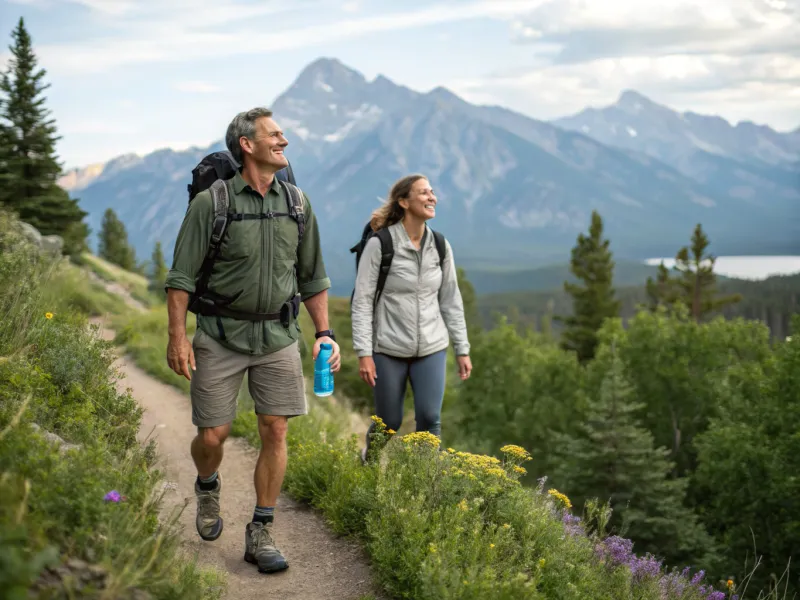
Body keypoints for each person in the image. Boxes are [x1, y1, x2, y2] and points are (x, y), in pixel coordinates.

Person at [164, 107, 340, 574]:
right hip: (220, 336)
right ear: (247, 144)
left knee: (275, 429)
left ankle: (260, 530)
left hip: (279, 337)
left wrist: (324, 334)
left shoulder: (297, 204)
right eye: (275, 135)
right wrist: (177, 336)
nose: (284, 142)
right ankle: (207, 484)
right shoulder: (213, 204)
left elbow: (313, 277)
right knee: (213, 435)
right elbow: (180, 278)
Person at [350, 174, 472, 458]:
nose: (433, 197)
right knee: (389, 423)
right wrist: (363, 353)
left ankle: (424, 486)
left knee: (430, 419)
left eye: (432, 192)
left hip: (431, 347)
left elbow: (451, 299)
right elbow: (363, 302)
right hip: (388, 348)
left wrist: (462, 348)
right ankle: (368, 471)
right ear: (404, 202)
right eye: (424, 193)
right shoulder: (381, 245)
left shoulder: (440, 245)